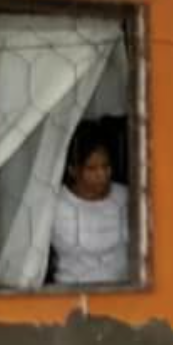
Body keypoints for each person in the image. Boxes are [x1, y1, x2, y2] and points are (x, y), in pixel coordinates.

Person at [51, 120, 129, 285]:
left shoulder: (125, 197)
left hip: (124, 294)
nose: (102, 175)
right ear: (73, 170)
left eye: (106, 166)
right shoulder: (55, 205)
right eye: (91, 169)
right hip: (71, 296)